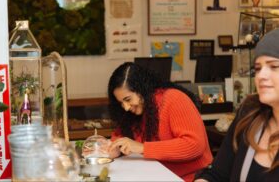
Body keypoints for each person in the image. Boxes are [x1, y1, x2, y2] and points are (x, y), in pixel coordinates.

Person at [195, 29, 279, 182]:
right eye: (258, 68)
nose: (261, 76)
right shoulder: (250, 113)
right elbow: (217, 175)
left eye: (274, 66)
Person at [107, 62, 212, 182]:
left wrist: (143, 148)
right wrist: (116, 148)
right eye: (121, 103)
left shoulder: (174, 99)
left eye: (128, 99)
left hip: (191, 178)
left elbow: (194, 145)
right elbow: (120, 135)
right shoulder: (136, 110)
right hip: (157, 174)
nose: (125, 107)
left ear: (142, 89)